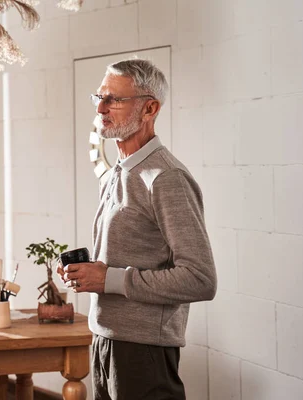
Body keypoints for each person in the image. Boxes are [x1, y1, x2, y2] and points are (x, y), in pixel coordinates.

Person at [59, 59, 217, 400]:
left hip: (142, 351)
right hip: (105, 339)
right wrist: (89, 274)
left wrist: (108, 279)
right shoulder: (118, 172)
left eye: (114, 99)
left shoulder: (166, 178)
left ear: (149, 108)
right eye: (99, 97)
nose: (101, 108)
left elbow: (200, 278)